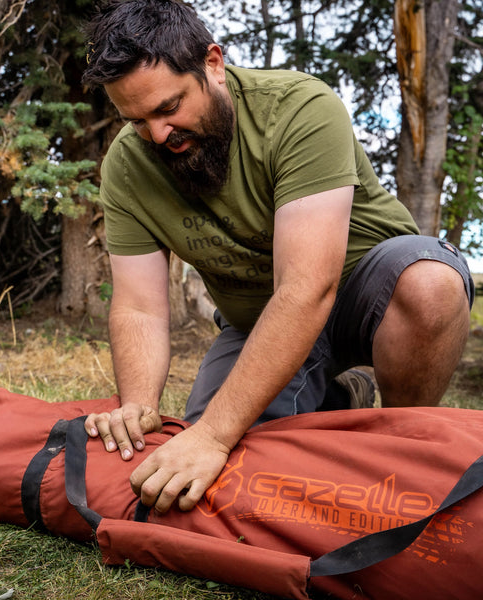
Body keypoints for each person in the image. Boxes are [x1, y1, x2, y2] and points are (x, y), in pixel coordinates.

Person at [82, 0, 474, 514]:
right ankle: (340, 401)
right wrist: (138, 405)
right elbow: (139, 306)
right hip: (262, 323)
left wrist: (214, 435)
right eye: (136, 121)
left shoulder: (297, 108)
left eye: (168, 107)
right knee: (229, 482)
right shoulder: (128, 167)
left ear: (213, 64)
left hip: (368, 291)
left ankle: (402, 448)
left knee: (430, 286)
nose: (158, 134)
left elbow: (308, 287)